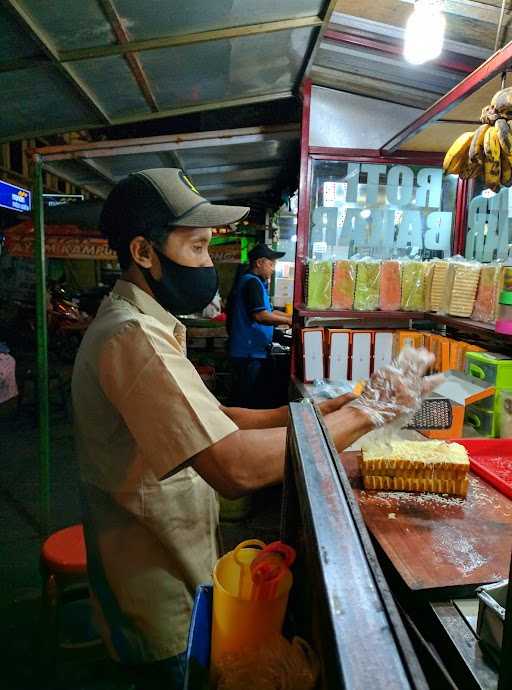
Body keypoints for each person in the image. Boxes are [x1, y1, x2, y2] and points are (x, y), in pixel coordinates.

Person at [72, 167, 441, 690]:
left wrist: (326, 411)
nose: (206, 264)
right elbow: (234, 466)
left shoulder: (147, 324)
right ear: (144, 252)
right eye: (198, 248)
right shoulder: (133, 338)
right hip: (155, 589)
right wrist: (370, 413)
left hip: (168, 565)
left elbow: (218, 419)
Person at [227, 243, 292, 408]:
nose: (273, 269)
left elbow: (269, 311)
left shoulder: (255, 282)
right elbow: (261, 316)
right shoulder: (252, 283)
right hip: (248, 352)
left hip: (251, 351)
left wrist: (292, 317)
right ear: (259, 263)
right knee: (245, 399)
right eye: (271, 264)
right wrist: (289, 321)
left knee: (247, 395)